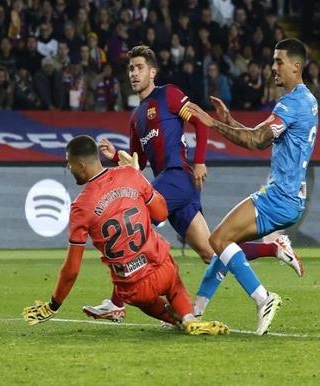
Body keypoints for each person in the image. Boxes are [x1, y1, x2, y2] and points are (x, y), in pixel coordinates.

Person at [83, 44, 302, 324]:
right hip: (169, 185)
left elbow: (199, 121)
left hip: (177, 177)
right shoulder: (136, 118)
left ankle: (116, 303)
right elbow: (138, 163)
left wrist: (199, 161)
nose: (133, 73)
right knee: (212, 251)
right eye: (130, 69)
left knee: (129, 223)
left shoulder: (169, 95)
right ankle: (274, 250)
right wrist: (115, 156)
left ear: (152, 72)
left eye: (139, 68)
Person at [22, 135, 229, 336]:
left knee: (144, 300)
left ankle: (177, 320)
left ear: (81, 166)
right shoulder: (130, 174)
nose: (69, 168)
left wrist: (54, 305)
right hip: (162, 267)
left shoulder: (80, 207)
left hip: (133, 287)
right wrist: (140, 177)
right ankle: (189, 318)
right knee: (174, 284)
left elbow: (72, 269)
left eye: (70, 164)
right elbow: (161, 213)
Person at [186, 38, 317, 335]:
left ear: (296, 67)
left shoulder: (291, 103)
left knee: (217, 240)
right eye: (273, 61)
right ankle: (195, 311)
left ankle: (263, 297)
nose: (273, 67)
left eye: (279, 62)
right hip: (289, 198)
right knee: (225, 246)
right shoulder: (307, 100)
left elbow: (256, 141)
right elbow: (260, 136)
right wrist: (230, 120)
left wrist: (211, 123)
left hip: (278, 196)